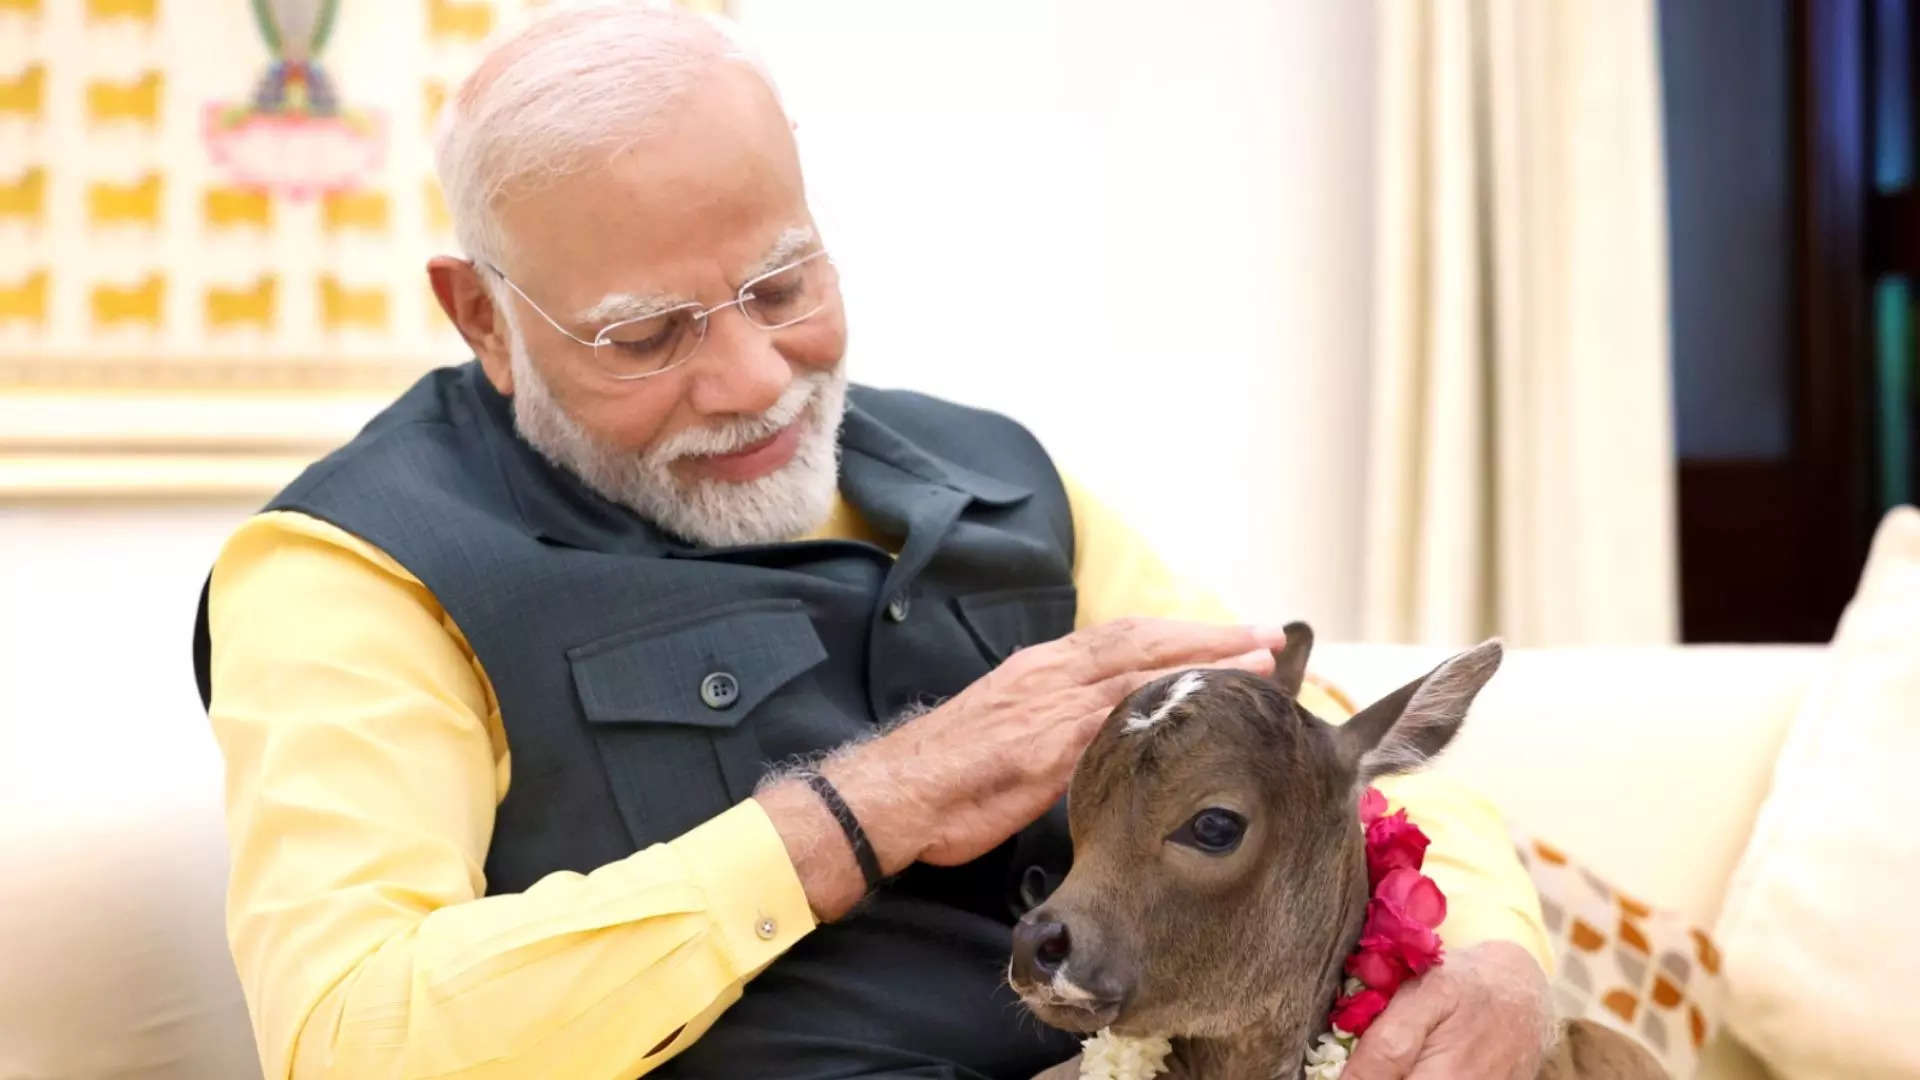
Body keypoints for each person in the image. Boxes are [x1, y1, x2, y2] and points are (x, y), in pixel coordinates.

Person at [195, 5, 1556, 1078]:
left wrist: (1495, 958)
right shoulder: (356, 572)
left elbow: (1323, 758)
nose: (748, 379)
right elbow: (353, 1039)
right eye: (646, 334)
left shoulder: (1008, 482)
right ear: (482, 318)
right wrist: (865, 808)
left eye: (780, 285)